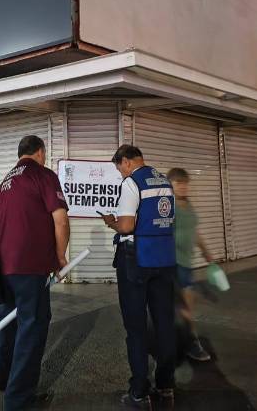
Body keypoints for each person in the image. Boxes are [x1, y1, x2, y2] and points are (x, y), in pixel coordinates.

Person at [0, 135, 70, 411]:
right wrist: (60, 257)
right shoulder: (43, 175)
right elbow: (60, 219)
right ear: (40, 152)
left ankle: (1, 377)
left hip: (3, 267)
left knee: (8, 323)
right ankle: (18, 401)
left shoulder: (4, 183)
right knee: (31, 329)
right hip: (30, 267)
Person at [101, 145, 177, 408]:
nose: (120, 173)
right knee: (165, 322)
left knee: (136, 328)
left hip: (137, 259)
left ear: (126, 162)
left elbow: (127, 225)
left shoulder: (133, 182)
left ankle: (139, 391)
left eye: (119, 168)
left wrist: (112, 222)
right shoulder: (164, 181)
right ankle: (166, 385)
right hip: (165, 258)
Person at [168, 167, 213, 362]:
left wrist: (206, 253)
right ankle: (190, 342)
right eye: (178, 183)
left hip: (186, 263)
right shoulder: (167, 207)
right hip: (172, 263)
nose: (183, 187)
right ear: (170, 185)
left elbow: (194, 232)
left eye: (185, 183)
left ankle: (183, 341)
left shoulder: (189, 205)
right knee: (183, 305)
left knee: (184, 305)